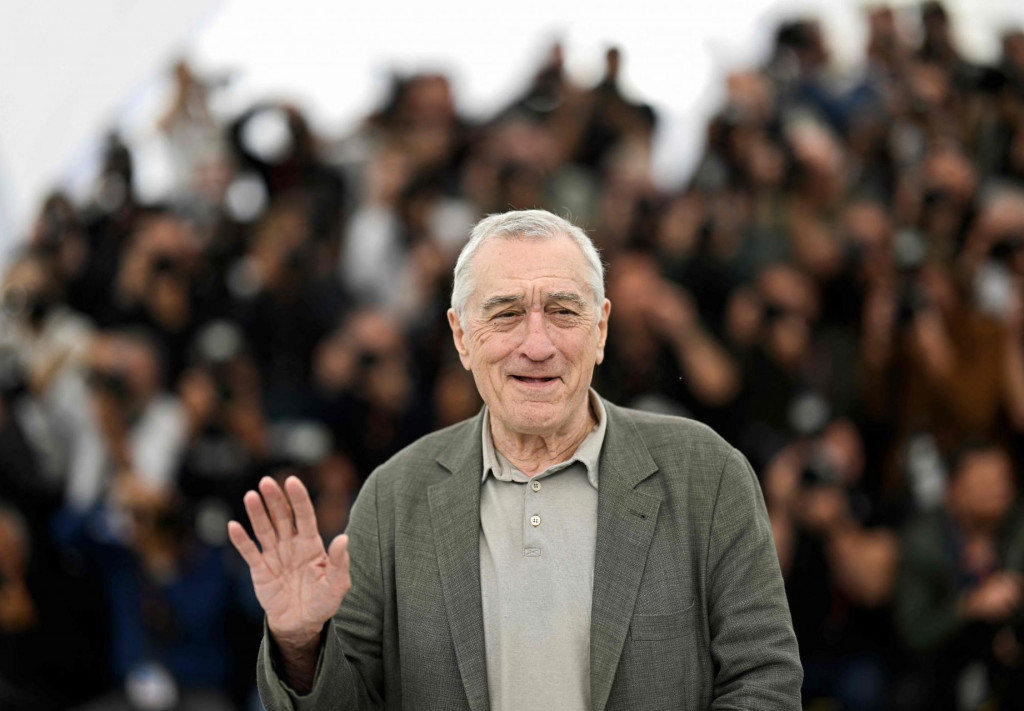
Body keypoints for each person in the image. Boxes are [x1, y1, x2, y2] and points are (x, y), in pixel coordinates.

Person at [228, 209, 802, 710]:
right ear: (461, 337)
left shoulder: (707, 474)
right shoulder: (394, 495)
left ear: (601, 329)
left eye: (563, 312)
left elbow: (764, 679)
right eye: (505, 314)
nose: (537, 345)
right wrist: (301, 645)